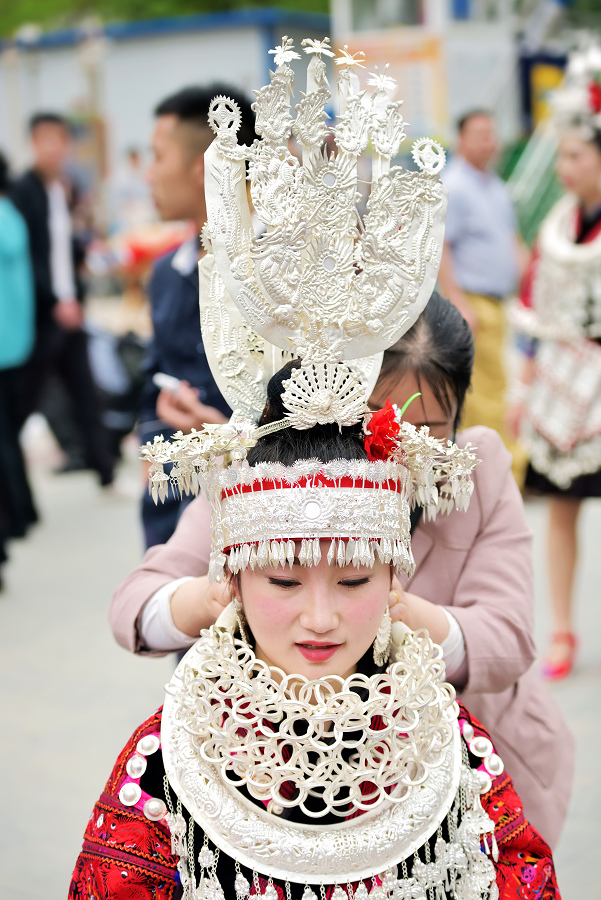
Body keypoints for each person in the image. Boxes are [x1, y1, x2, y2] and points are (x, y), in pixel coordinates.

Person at [509, 50, 601, 681]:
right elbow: (533, 307)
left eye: (575, 156)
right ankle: (563, 630)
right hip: (564, 385)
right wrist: (527, 382)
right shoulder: (555, 224)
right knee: (562, 507)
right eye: (562, 156)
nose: (564, 167)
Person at [138, 85, 256, 548]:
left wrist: (226, 431)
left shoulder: (282, 267)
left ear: (202, 165)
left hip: (263, 507)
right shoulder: (168, 273)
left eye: (157, 157)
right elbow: (155, 373)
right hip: (173, 508)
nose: (148, 175)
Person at [9, 112, 115, 487]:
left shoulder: (65, 188)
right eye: (44, 140)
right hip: (43, 313)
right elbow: (28, 256)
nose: (53, 148)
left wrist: (85, 258)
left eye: (59, 140)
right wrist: (55, 300)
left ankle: (106, 472)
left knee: (87, 392)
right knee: (26, 398)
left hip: (71, 306)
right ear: (33, 144)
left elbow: (63, 247)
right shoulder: (23, 190)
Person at [437, 110, 527, 486]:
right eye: (479, 134)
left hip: (499, 301)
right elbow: (441, 246)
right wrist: (458, 300)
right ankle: (504, 475)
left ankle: (498, 472)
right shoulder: (454, 185)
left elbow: (511, 240)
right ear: (461, 139)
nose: (488, 142)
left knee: (499, 385)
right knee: (488, 390)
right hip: (474, 301)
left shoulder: (495, 185)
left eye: (492, 134)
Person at [0, 151, 37, 581]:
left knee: (4, 438)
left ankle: (15, 514)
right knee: (9, 434)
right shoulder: (12, 214)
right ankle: (23, 510)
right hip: (16, 342)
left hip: (3, 344)